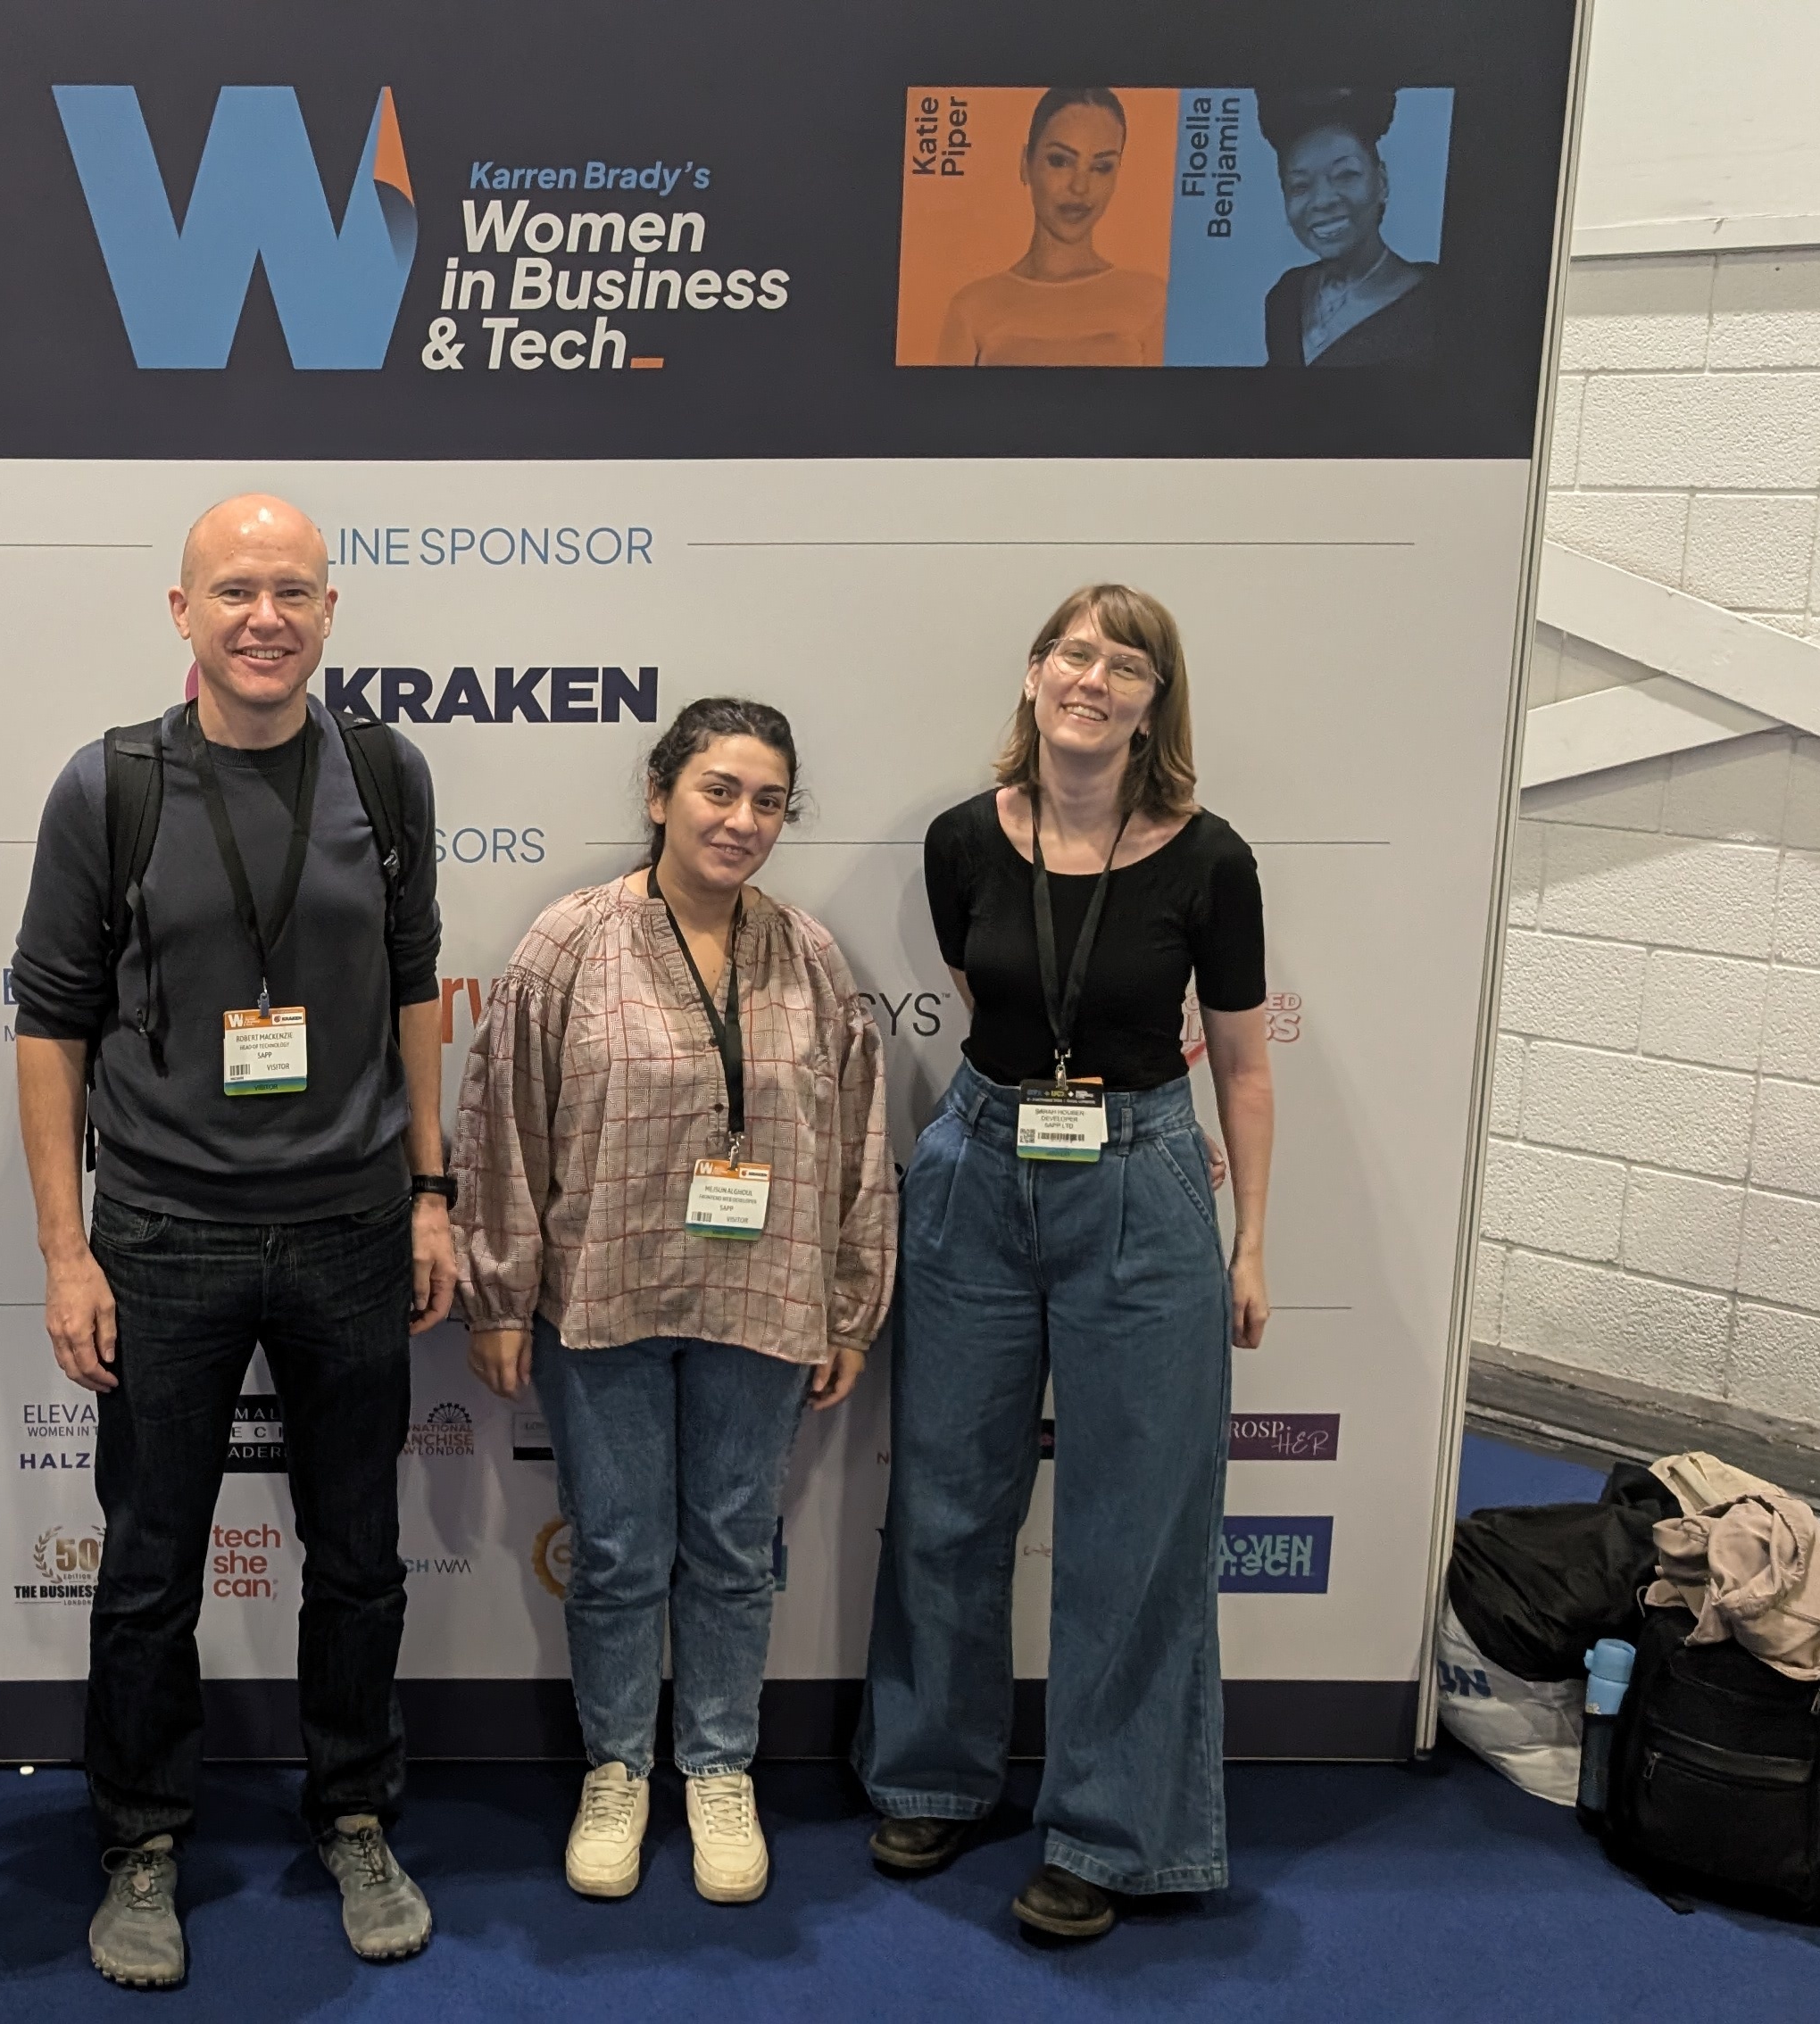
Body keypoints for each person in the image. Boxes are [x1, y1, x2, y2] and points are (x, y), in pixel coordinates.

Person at [10, 494, 455, 1992]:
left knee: (361, 1554)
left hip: (346, 1227)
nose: (263, 617)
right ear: (180, 611)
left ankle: (352, 1807)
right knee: (147, 1562)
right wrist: (67, 1254)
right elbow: (45, 1028)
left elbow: (412, 995)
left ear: (331, 612)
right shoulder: (110, 787)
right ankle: (141, 1836)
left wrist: (431, 1190)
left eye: (291, 592)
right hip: (165, 1233)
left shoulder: (386, 776)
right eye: (233, 591)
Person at [857, 584, 1274, 1945]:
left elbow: (1248, 1063)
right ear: (1034, 675)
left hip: (1145, 1178)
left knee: (1136, 1525)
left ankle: (1113, 1833)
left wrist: (1252, 1239)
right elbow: (994, 1000)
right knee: (944, 1497)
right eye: (1072, 653)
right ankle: (930, 1772)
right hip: (978, 1168)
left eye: (1126, 663)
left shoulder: (1211, 861)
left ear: (1158, 701)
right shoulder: (963, 839)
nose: (1093, 677)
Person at [450, 699, 893, 1908]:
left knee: (736, 1551)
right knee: (616, 1551)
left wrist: (852, 1302)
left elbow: (857, 1137)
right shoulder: (570, 945)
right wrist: (499, 1295)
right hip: (603, 1301)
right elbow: (502, 1127)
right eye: (717, 790)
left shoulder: (809, 953)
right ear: (659, 796)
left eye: (766, 800)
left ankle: (717, 1766)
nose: (741, 820)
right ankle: (616, 1767)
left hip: (765, 1298)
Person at [935, 88, 1165, 366]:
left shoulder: (1153, 301)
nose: (1080, 187)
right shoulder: (971, 309)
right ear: (1025, 164)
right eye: (1060, 161)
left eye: (1101, 167)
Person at [1258, 88, 1437, 365]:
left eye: (1346, 175)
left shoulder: (1432, 306)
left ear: (1381, 182)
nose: (1322, 201)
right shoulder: (1286, 297)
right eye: (1300, 186)